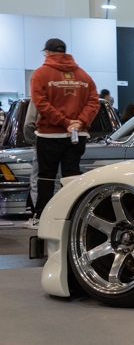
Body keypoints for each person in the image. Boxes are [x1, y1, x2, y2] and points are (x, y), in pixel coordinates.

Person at [27, 38, 99, 228]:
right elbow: (94, 102)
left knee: (46, 177)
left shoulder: (40, 74)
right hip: (77, 135)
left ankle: (41, 218)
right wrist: (79, 122)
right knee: (71, 177)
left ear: (48, 52)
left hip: (49, 135)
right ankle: (71, 219)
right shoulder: (83, 75)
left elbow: (41, 104)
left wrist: (64, 122)